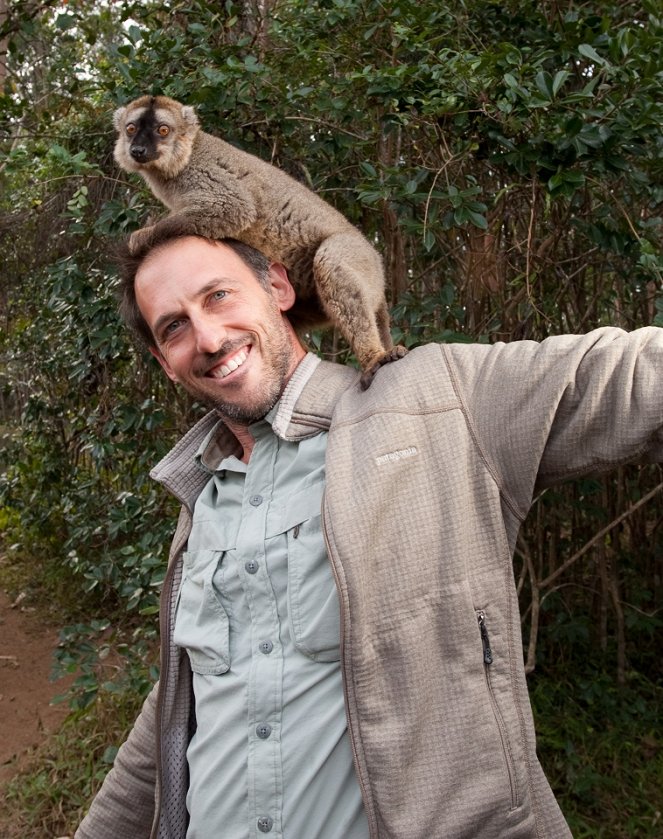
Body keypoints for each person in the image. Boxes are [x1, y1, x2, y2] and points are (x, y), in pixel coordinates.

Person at [76, 225, 663, 839]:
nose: (208, 336)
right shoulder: (203, 498)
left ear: (276, 285)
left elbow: (625, 377)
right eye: (173, 326)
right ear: (163, 364)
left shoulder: (437, 400)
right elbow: (179, 710)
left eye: (219, 295)